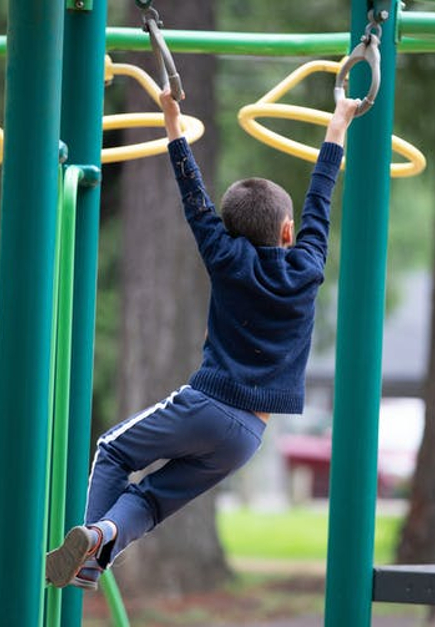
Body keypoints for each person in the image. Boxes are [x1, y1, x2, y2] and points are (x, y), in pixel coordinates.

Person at [45, 87, 360, 590]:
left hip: (208, 404)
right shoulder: (308, 266)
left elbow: (194, 199)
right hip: (246, 437)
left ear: (230, 233)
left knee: (111, 450)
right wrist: (338, 124)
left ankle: (88, 551)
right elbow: (320, 196)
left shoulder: (225, 256)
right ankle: (100, 541)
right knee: (150, 500)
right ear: (287, 231)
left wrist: (172, 123)